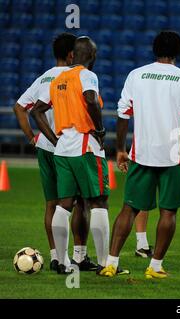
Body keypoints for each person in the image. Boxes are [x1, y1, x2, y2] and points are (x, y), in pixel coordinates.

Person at [99, 31, 180, 279]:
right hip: (173, 156)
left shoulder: (136, 75)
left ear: (154, 49)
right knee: (168, 212)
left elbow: (122, 114)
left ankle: (111, 263)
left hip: (142, 154)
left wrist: (119, 149)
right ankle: (155, 267)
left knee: (129, 208)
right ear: (179, 52)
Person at [13, 33, 96, 272]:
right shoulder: (77, 76)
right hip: (69, 148)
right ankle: (79, 256)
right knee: (79, 203)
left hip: (45, 148)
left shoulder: (44, 77)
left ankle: (56, 257)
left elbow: (19, 107)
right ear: (73, 54)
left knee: (52, 204)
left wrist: (32, 137)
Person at [31, 36, 112, 275]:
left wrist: (55, 139)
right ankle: (106, 263)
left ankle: (64, 262)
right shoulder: (87, 75)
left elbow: (37, 111)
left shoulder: (58, 79)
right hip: (85, 145)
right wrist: (99, 129)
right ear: (91, 56)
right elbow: (90, 100)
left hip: (63, 147)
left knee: (64, 205)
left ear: (73, 55)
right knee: (98, 202)